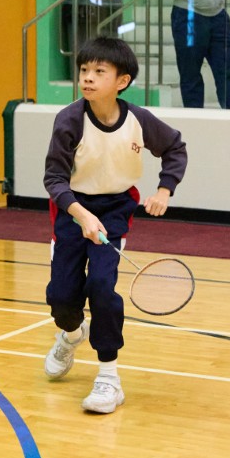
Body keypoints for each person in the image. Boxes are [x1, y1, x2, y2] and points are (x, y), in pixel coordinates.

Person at [43, 36, 188, 414]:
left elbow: (175, 147)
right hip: (71, 209)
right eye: (83, 70)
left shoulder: (139, 120)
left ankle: (109, 377)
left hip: (114, 211)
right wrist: (81, 214)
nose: (87, 78)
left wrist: (165, 189)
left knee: (102, 287)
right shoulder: (69, 120)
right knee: (62, 297)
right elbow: (54, 179)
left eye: (98, 71)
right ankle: (71, 334)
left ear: (122, 81)